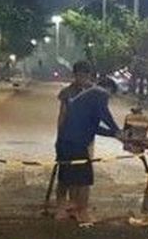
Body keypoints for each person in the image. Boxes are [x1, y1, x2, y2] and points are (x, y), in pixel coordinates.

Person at [54, 75, 120, 226]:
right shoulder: (99, 92)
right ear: (108, 88)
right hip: (76, 144)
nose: (108, 99)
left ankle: (62, 210)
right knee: (85, 179)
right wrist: (117, 131)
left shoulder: (86, 98)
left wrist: (114, 134)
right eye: (110, 95)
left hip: (65, 141)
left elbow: (94, 127)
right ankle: (82, 213)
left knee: (65, 176)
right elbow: (105, 115)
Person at [46, 61, 96, 214]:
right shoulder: (67, 93)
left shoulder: (94, 93)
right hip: (68, 139)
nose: (82, 78)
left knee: (83, 177)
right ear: (74, 75)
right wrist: (60, 138)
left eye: (85, 75)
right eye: (79, 75)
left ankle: (80, 207)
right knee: (65, 173)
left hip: (86, 140)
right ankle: (61, 206)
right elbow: (62, 116)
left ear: (89, 76)